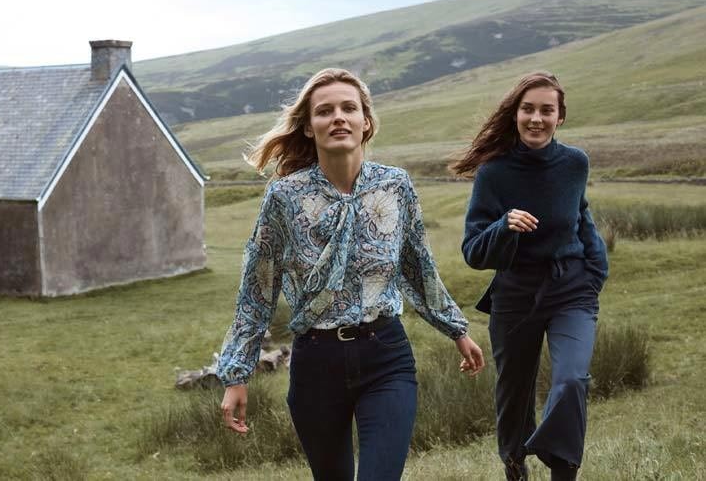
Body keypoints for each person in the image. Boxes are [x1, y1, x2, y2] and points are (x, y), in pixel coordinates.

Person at [216, 67, 485, 480]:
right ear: (309, 127)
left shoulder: (395, 186)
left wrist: (456, 329)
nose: (338, 117)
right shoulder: (284, 197)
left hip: (385, 355)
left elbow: (417, 265)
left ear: (366, 122)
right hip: (315, 363)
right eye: (325, 111)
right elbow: (258, 286)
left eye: (349, 108)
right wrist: (237, 374)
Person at [450, 71, 608, 481]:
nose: (536, 118)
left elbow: (581, 215)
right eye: (528, 109)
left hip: (571, 289)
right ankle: (516, 467)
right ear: (515, 114)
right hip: (515, 295)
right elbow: (473, 251)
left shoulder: (575, 163)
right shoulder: (494, 172)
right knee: (514, 398)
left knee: (572, 380)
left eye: (546, 110)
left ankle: (562, 470)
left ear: (560, 117)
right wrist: (504, 226)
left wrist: (594, 273)